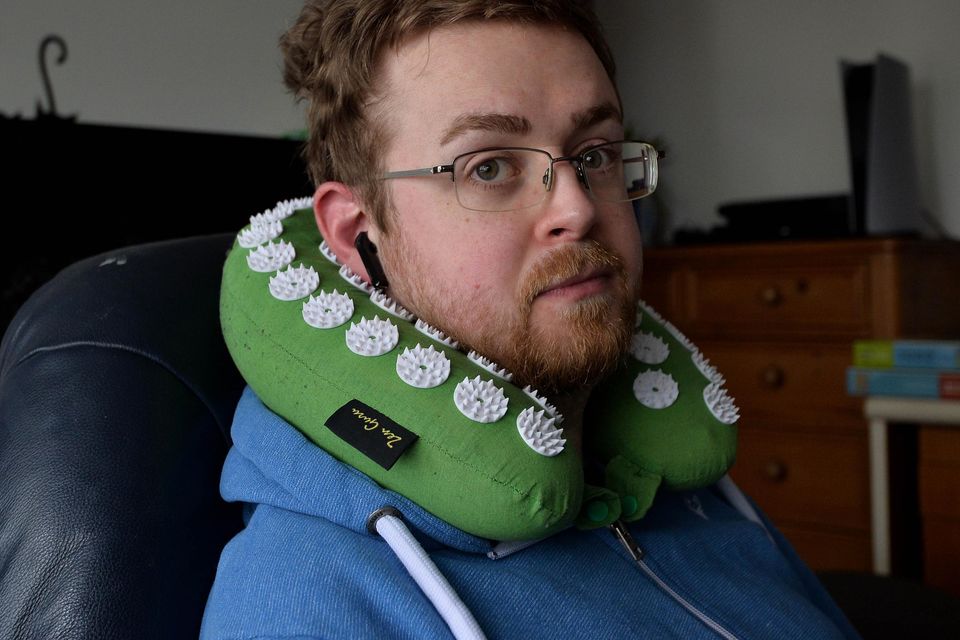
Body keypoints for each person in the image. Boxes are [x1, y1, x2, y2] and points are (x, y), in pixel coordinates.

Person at [201, 2, 859, 638]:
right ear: (357, 234)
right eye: (488, 167)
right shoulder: (307, 606)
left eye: (596, 154)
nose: (577, 207)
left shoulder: (679, 484)